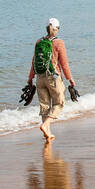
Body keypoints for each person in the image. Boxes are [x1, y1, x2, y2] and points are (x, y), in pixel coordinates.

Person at [27, 18, 76, 151]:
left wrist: (30, 78)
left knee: (45, 105)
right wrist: (70, 79)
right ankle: (46, 125)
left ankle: (47, 132)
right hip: (53, 78)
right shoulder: (59, 43)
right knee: (59, 103)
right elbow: (64, 64)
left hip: (40, 78)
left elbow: (33, 61)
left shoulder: (39, 42)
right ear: (56, 29)